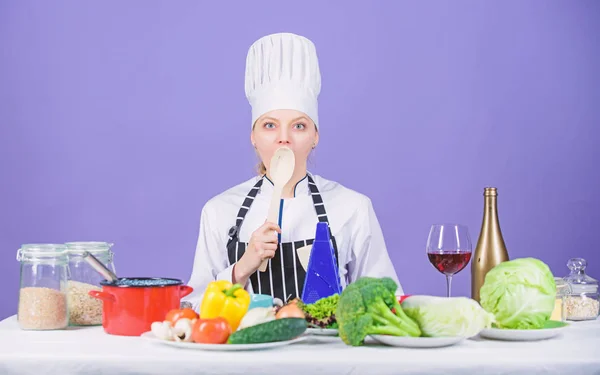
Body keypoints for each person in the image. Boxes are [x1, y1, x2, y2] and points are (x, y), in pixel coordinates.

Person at [183, 32, 402, 311]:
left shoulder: (353, 207)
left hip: (329, 352)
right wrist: (242, 267)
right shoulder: (218, 211)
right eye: (270, 125)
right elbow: (195, 307)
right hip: (247, 352)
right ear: (253, 136)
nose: (283, 138)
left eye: (298, 126)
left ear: (315, 137)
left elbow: (386, 301)